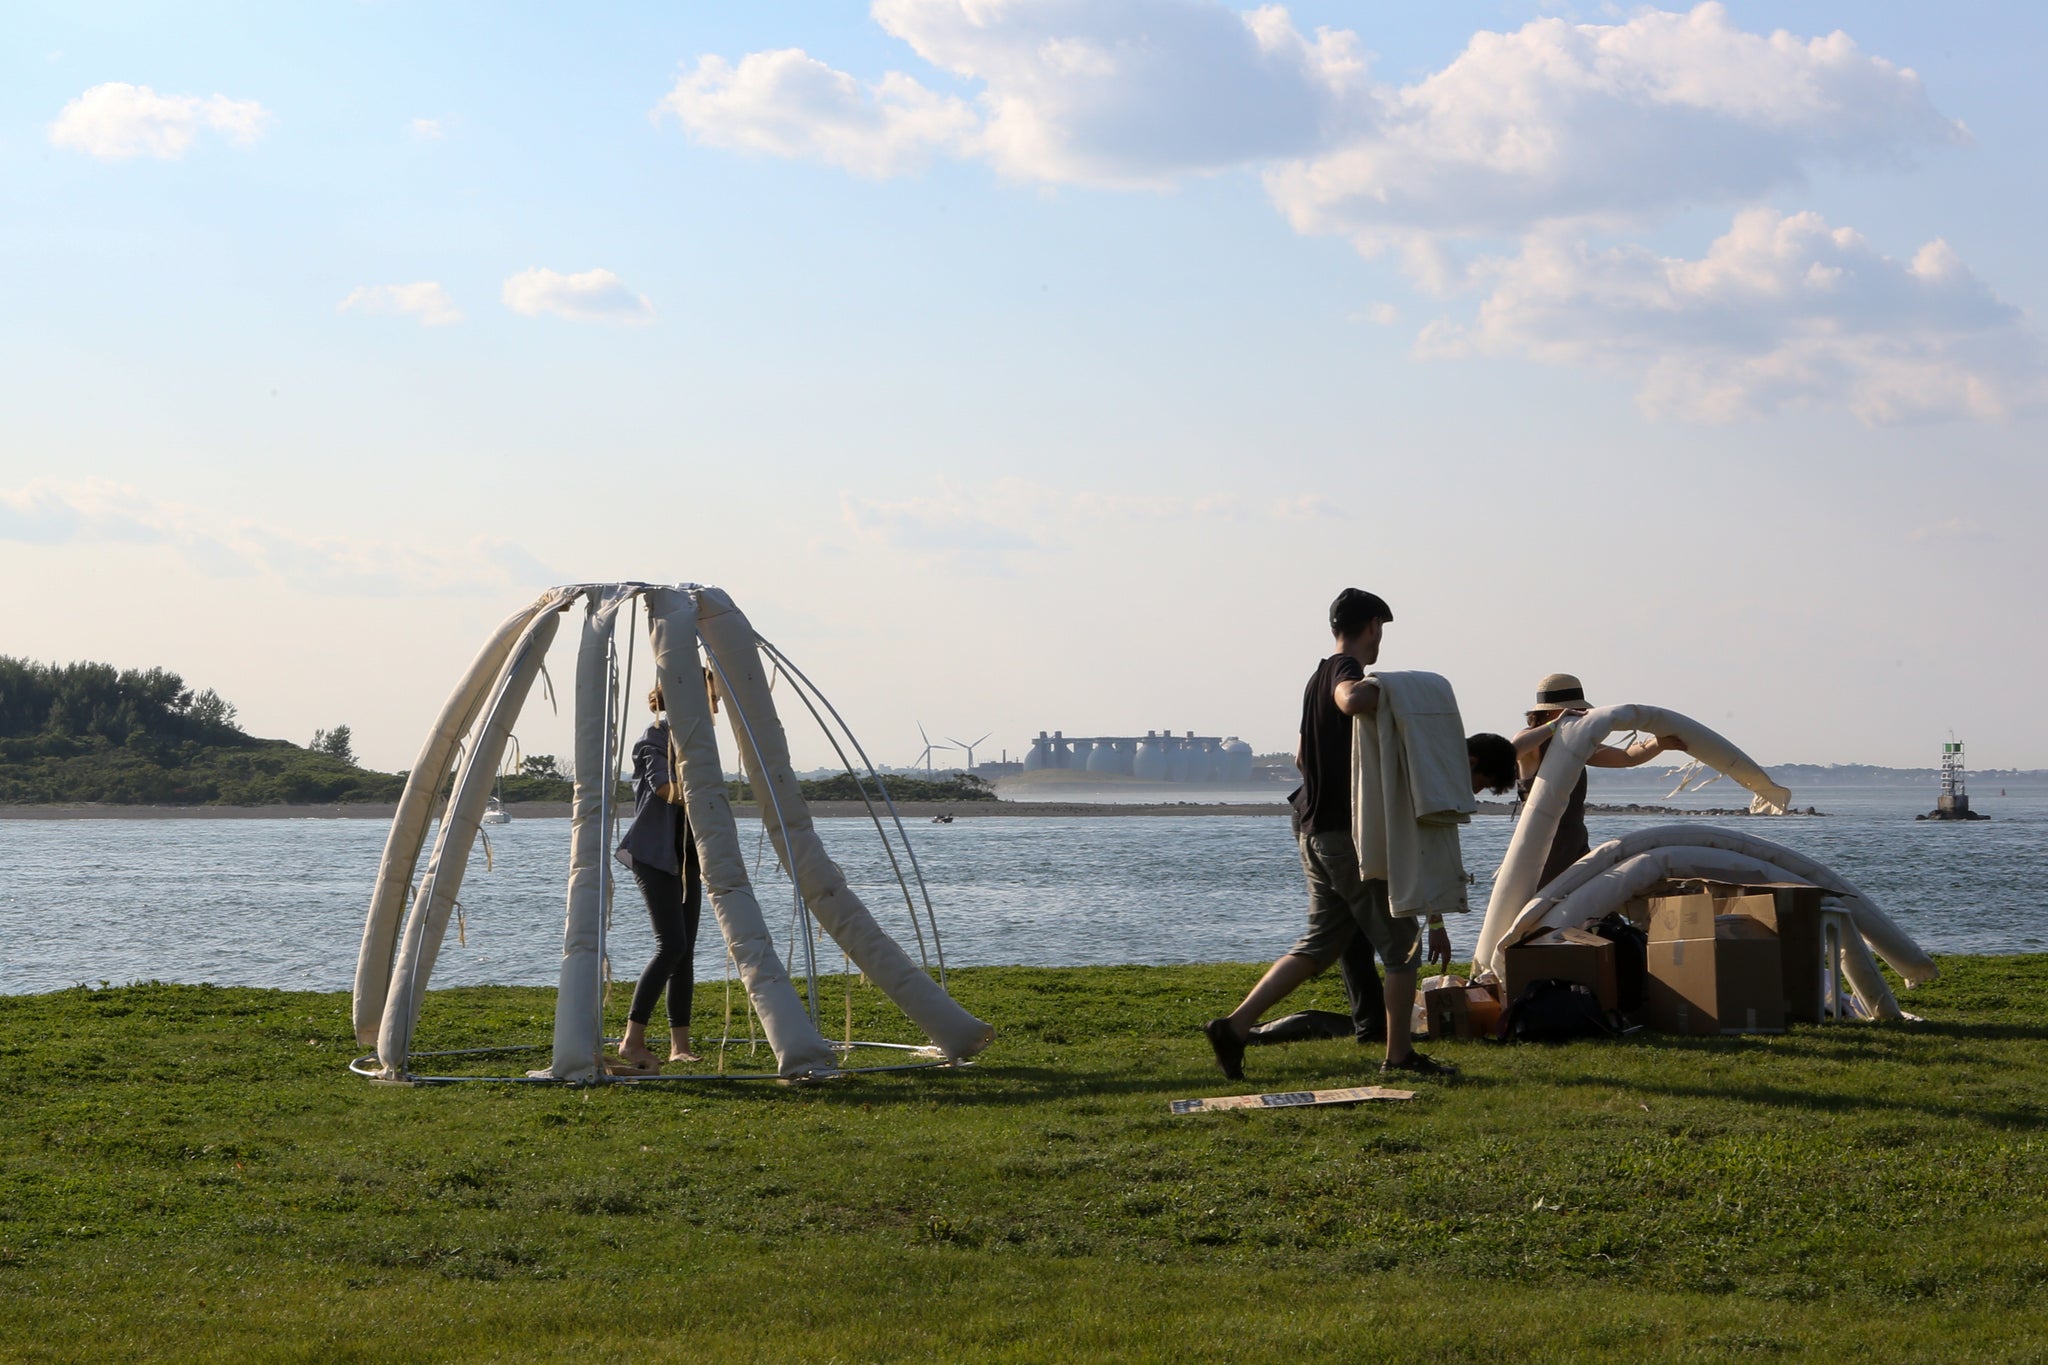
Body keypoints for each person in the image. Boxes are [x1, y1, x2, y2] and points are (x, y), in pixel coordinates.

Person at [1202, 589, 1515, 1081]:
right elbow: (1352, 700)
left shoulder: (1313, 679)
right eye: (1381, 632)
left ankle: (1235, 1027)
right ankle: (1399, 1056)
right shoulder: (1342, 670)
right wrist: (1395, 692)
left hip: (1311, 828)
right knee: (1401, 944)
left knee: (1320, 944)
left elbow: (1304, 758)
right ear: (1371, 626)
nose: (1379, 645)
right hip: (1346, 836)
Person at [1243, 732, 1518, 1051]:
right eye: (1480, 784)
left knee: (1339, 935)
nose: (1474, 793)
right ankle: (1390, 1044)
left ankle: (1367, 1025)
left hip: (1314, 818)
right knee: (1397, 948)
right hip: (1344, 832)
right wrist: (1437, 925)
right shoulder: (1429, 776)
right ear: (1470, 762)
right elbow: (1425, 854)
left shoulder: (1427, 755)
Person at [1511, 672, 1687, 890]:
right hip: (1543, 844)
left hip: (1574, 838)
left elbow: (1626, 757)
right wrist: (1555, 725)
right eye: (1572, 710)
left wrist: (1659, 744)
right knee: (1546, 901)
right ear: (1550, 711)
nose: (1579, 715)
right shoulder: (1533, 741)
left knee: (1584, 900)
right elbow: (1513, 750)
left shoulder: (1574, 744)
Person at [610, 681, 706, 1073]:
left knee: (685, 953)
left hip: (688, 858)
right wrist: (705, 792)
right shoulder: (655, 736)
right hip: (656, 856)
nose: (714, 703)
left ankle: (678, 1047)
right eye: (708, 694)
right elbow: (664, 788)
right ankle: (631, 1042)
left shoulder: (697, 739)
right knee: (671, 946)